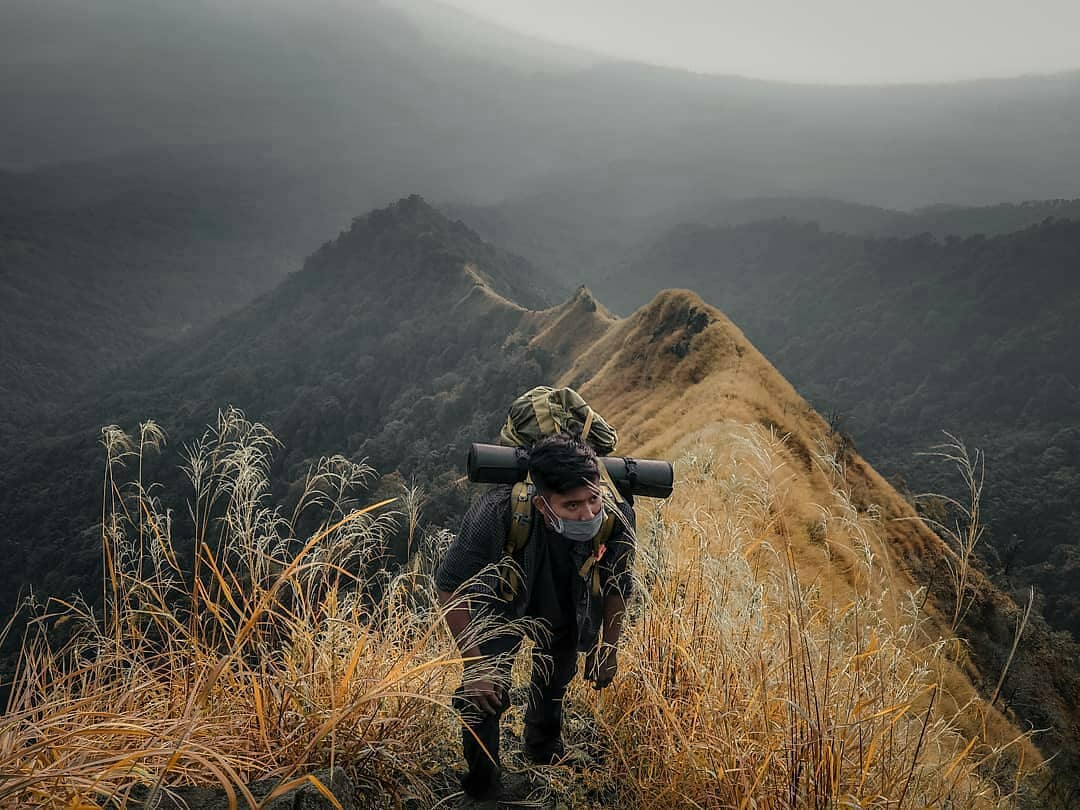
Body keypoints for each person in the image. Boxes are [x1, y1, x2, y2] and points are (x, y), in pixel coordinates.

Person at [436, 433, 636, 805]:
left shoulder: (617, 515)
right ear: (542, 504)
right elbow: (449, 585)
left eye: (593, 500)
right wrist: (475, 664)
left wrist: (608, 648)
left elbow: (618, 585)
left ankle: (543, 747)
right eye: (571, 505)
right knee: (480, 694)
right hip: (501, 603)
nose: (588, 515)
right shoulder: (497, 513)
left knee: (557, 677)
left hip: (567, 604)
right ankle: (483, 786)